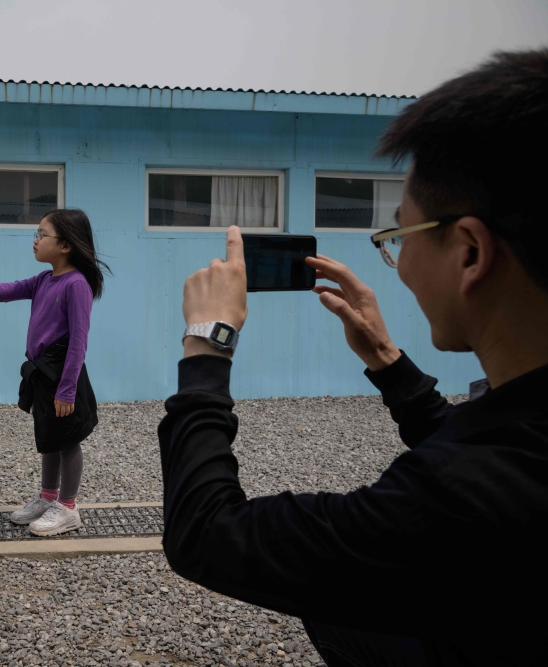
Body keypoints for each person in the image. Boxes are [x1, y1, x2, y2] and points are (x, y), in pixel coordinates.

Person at [159, 50, 548, 666]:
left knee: (330, 596)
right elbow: (488, 449)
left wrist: (207, 344)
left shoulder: (455, 497)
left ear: (470, 252)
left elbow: (207, 534)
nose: (399, 265)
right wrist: (390, 363)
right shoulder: (511, 445)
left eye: (400, 238)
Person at [0, 209, 109, 536]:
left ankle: (68, 508)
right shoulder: (44, 280)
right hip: (42, 372)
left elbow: (79, 341)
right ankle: (47, 496)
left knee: (68, 441)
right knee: (49, 437)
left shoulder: (76, 285)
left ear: (66, 245)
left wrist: (67, 390)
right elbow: (4, 290)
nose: (35, 240)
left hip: (62, 373)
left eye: (42, 234)